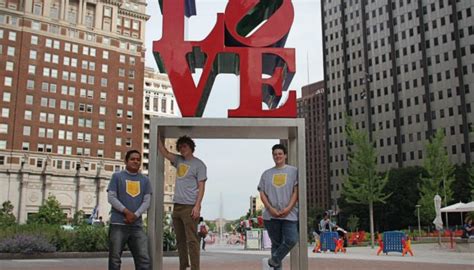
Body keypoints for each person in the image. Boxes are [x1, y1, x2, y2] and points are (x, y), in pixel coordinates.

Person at [158, 135, 207, 270]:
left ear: (191, 147)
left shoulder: (199, 165)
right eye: (180, 147)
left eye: (184, 146)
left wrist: (197, 206)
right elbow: (165, 152)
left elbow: (201, 186)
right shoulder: (178, 160)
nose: (181, 149)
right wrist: (157, 134)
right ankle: (183, 266)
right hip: (177, 206)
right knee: (180, 241)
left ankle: (195, 267)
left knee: (192, 240)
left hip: (190, 206)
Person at [107, 150, 151, 270]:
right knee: (115, 260)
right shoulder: (117, 176)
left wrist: (135, 215)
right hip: (118, 224)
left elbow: (147, 201)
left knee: (144, 259)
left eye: (138, 159)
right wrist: (127, 212)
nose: (136, 161)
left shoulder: (145, 180)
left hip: (137, 226)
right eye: (132, 159)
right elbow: (111, 197)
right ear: (126, 161)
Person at [258, 144, 298, 270]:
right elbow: (262, 193)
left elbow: (296, 191)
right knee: (276, 244)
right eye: (275, 154)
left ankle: (274, 260)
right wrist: (270, 209)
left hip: (289, 214)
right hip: (271, 216)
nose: (277, 156)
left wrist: (288, 208)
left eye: (280, 154)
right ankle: (276, 266)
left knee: (291, 239)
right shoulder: (266, 174)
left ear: (285, 155)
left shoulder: (293, 171)